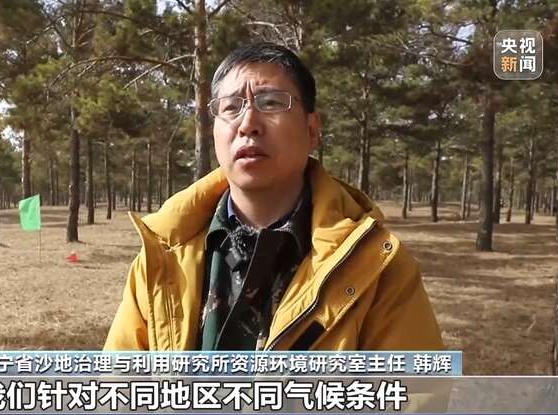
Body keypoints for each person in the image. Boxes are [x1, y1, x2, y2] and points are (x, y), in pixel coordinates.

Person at [103, 42, 444, 352]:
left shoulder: (375, 265)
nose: (248, 123)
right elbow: (119, 387)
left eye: (271, 103)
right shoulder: (164, 254)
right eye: (231, 107)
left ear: (312, 130)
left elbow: (412, 395)